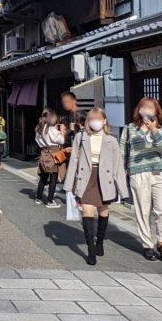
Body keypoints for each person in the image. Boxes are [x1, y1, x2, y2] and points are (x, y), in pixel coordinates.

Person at [64, 108, 129, 266]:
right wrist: (68, 184)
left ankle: (99, 241)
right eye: (92, 119)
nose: (95, 122)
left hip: (104, 178)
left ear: (104, 120)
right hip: (86, 176)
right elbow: (73, 160)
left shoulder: (111, 140)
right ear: (87, 121)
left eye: (98, 119)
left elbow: (117, 165)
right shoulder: (81, 137)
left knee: (103, 211)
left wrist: (122, 189)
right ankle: (91, 249)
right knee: (87, 211)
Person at [121, 97, 162, 262]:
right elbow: (123, 151)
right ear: (139, 110)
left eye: (152, 108)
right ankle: (147, 245)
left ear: (157, 112)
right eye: (145, 108)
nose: (147, 111)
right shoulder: (130, 129)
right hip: (137, 173)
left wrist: (153, 129)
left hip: (159, 172)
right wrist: (122, 171)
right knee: (142, 210)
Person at [35, 107, 66, 208]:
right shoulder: (52, 130)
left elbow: (38, 141)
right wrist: (62, 131)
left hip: (44, 153)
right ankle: (50, 200)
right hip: (53, 154)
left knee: (43, 177)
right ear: (51, 118)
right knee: (53, 177)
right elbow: (61, 141)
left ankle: (38, 197)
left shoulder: (39, 128)